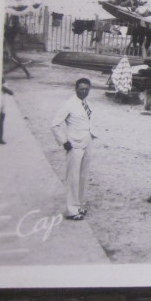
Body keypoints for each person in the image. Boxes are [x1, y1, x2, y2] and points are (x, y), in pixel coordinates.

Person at [50, 78, 96, 221]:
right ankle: (71, 210)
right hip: (74, 144)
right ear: (75, 89)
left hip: (87, 142)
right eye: (81, 88)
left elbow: (88, 121)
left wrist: (92, 134)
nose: (84, 91)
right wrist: (64, 142)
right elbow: (54, 124)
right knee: (73, 177)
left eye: (86, 89)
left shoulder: (87, 103)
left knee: (83, 176)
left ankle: (80, 205)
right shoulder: (69, 104)